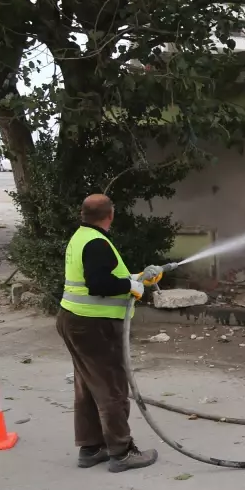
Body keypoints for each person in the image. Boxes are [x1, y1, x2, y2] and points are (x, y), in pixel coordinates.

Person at [57, 194, 164, 472]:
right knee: (112, 387)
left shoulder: (81, 236)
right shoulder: (97, 242)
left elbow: (99, 276)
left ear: (83, 214)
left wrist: (136, 278)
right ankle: (121, 452)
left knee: (89, 387)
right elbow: (99, 283)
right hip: (93, 326)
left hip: (75, 320)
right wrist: (132, 286)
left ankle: (92, 448)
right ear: (110, 215)